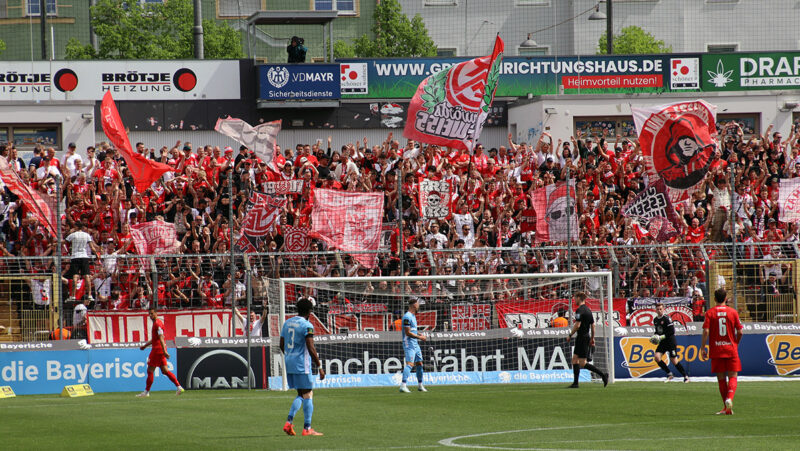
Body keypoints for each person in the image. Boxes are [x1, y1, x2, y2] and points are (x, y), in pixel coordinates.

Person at [280, 297, 324, 436]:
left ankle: (290, 423)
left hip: (289, 361)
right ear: (310, 311)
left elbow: (281, 345)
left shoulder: (287, 323)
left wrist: (290, 355)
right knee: (308, 393)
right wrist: (319, 366)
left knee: (300, 394)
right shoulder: (307, 325)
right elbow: (311, 348)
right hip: (301, 364)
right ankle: (307, 428)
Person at [701, 288, 743, 415]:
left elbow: (706, 331)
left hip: (716, 349)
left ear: (714, 299)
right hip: (731, 348)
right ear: (726, 298)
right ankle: (729, 399)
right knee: (733, 376)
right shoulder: (733, 312)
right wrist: (736, 343)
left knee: (721, 378)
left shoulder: (709, 313)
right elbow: (740, 331)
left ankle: (726, 406)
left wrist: (703, 347)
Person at [137, 308, 184, 398]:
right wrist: (145, 346)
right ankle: (179, 387)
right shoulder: (157, 323)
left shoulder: (157, 324)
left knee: (150, 370)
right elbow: (156, 339)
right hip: (160, 349)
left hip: (157, 350)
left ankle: (146, 392)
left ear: (156, 313)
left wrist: (164, 351)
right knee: (165, 371)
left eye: (152, 314)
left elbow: (161, 337)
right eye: (149, 314)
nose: (150, 316)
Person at [565, 291, 608, 388]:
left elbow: (577, 325)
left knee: (582, 363)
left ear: (579, 298)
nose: (574, 300)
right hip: (586, 337)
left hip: (582, 338)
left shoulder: (579, 310)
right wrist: (592, 338)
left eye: (575, 298)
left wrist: (570, 335)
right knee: (574, 360)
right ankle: (575, 383)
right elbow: (593, 326)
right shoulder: (588, 310)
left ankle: (603, 375)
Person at [65, 221, 101, 302]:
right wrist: (97, 254)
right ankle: (89, 295)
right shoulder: (87, 235)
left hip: (75, 257)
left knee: (75, 276)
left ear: (77, 227)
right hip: (84, 256)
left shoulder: (73, 235)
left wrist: (56, 243)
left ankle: (73, 295)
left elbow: (65, 242)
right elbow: (92, 247)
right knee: (87, 276)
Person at [652, 302, 689, 383]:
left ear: (663, 309)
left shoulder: (666, 318)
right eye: (658, 309)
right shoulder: (655, 320)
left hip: (670, 341)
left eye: (660, 309)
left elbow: (672, 331)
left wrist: (661, 337)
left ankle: (685, 376)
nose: (659, 311)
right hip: (662, 342)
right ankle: (669, 374)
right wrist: (654, 337)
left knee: (674, 360)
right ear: (656, 310)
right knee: (657, 357)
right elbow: (658, 331)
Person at [399, 297, 427, 393]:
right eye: (418, 303)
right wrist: (420, 338)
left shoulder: (413, 316)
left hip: (415, 343)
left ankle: (420, 385)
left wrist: (419, 334)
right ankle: (403, 385)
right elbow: (407, 333)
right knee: (410, 364)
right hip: (409, 343)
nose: (419, 305)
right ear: (414, 305)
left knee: (419, 363)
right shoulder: (407, 317)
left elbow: (413, 330)